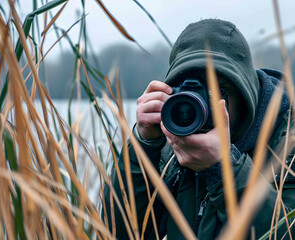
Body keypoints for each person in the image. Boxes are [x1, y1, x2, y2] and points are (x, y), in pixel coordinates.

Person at [103, 19, 295, 239]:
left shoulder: (286, 141)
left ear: (246, 94)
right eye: (186, 92)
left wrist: (223, 169)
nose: (200, 107)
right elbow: (118, 233)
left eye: (217, 91)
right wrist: (144, 146)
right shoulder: (173, 142)